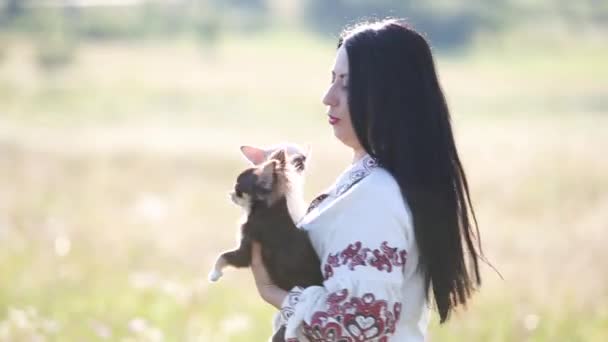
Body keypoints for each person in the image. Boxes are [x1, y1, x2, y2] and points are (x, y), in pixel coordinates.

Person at [250, 18, 483, 341]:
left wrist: (272, 292)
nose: (328, 96)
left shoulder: (376, 196)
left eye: (347, 84)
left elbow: (362, 325)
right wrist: (288, 181)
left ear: (388, 95)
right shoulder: (375, 181)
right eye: (332, 79)